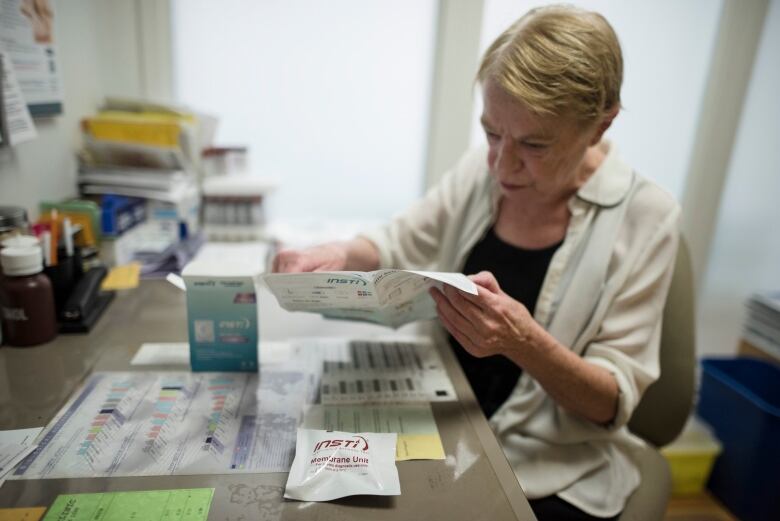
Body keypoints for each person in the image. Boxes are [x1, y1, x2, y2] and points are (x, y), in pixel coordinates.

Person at [273, 5, 679, 520]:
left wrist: (523, 342)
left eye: (533, 144)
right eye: (492, 132)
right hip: (441, 410)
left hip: (549, 459)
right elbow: (400, 239)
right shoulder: (479, 171)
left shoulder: (649, 217)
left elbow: (611, 402)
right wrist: (336, 253)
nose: (501, 164)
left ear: (600, 127)